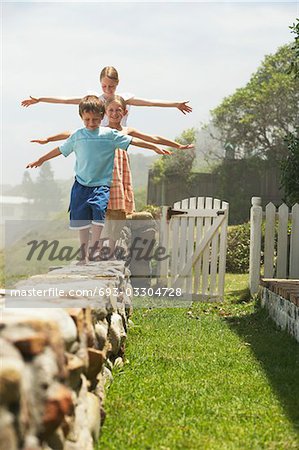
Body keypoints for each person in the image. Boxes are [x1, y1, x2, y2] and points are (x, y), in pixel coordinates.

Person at [31, 95, 194, 258]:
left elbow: (149, 134)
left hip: (112, 178)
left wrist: (169, 146)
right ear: (105, 114)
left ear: (124, 112)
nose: (114, 113)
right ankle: (92, 250)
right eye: (111, 110)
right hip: (90, 180)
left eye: (118, 110)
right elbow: (66, 137)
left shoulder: (117, 133)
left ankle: (106, 249)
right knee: (91, 214)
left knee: (110, 212)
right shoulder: (87, 133)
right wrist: (44, 147)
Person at [21, 66, 192, 125]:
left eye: (111, 86)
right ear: (100, 83)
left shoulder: (123, 99)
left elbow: (150, 103)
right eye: (104, 86)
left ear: (117, 84)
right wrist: (40, 99)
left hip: (117, 138)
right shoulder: (95, 99)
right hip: (98, 139)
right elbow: (66, 100)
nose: (108, 89)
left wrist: (175, 104)